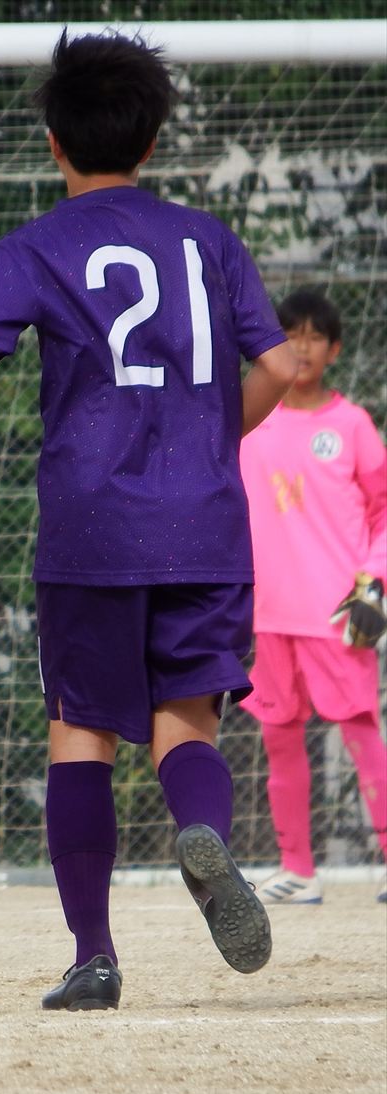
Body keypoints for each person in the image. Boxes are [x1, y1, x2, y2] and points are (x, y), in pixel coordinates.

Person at [0, 32, 298, 1011]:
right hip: (203, 522)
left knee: (80, 731)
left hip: (92, 526)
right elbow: (281, 365)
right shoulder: (209, 239)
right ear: (152, 139)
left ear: (54, 142)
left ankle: (93, 956)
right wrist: (209, 439)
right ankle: (202, 834)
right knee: (188, 721)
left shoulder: (36, 245)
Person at [238, 288, 387, 906]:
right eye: (290, 334)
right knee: (279, 738)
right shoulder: (247, 417)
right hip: (266, 613)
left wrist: (374, 584)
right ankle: (298, 869)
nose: (301, 347)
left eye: (314, 336)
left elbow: (382, 513)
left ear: (334, 349)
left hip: (336, 614)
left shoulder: (351, 425)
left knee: (360, 733)